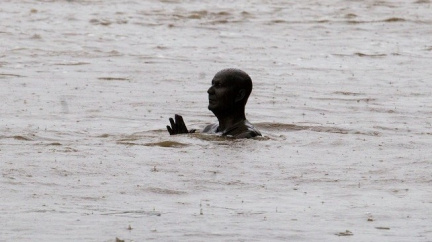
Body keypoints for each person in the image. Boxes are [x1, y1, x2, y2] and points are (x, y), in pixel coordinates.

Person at [167, 68, 261, 138]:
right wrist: (182, 139)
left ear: (239, 95)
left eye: (218, 85)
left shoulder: (247, 135)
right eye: (212, 84)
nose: (209, 91)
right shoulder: (208, 129)